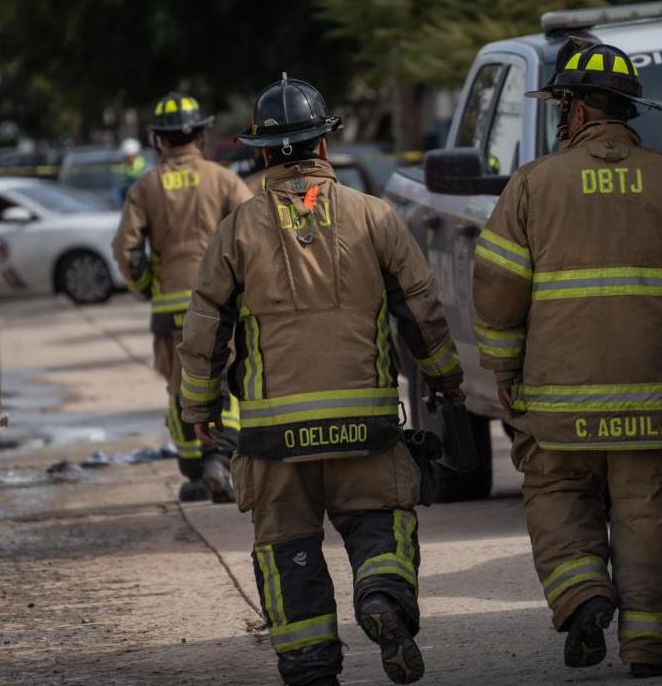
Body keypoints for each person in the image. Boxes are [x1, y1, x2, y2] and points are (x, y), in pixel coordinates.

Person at [178, 74, 463, 686]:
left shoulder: (236, 229)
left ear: (260, 153)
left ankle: (310, 666)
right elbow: (421, 308)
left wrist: (198, 405)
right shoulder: (376, 217)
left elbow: (204, 324)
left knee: (289, 548)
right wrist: (446, 377)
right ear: (324, 146)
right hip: (366, 426)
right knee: (379, 521)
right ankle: (381, 596)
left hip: (275, 439)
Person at [472, 42, 662, 678]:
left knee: (559, 494)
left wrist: (505, 371)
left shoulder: (534, 185)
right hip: (657, 398)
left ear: (574, 109)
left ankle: (584, 595)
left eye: (562, 106)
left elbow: (498, 290)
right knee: (650, 513)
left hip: (560, 405)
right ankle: (650, 645)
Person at [112, 92, 252, 502]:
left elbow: (125, 248)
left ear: (160, 141)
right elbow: (253, 231)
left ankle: (194, 472)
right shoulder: (223, 179)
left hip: (171, 310)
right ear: (199, 135)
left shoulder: (145, 186)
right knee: (227, 380)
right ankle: (221, 462)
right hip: (224, 305)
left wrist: (144, 289)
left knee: (181, 388)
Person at [113, 137, 147, 208]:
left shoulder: (141, 163)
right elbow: (119, 183)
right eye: (127, 156)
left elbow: (135, 176)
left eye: (130, 156)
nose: (129, 158)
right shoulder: (123, 164)